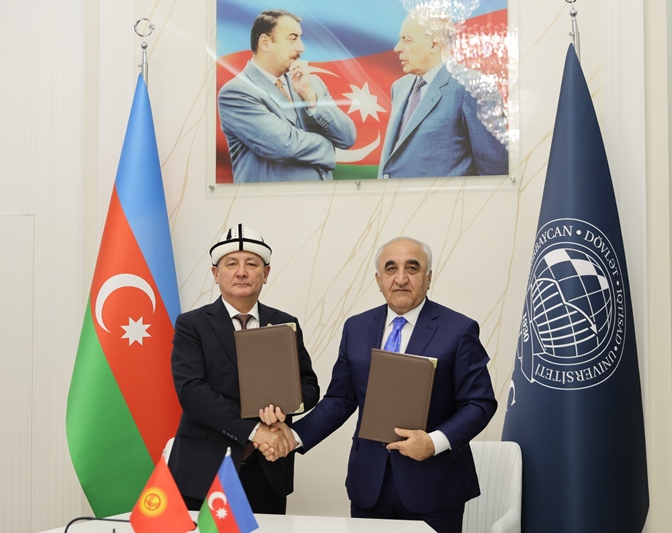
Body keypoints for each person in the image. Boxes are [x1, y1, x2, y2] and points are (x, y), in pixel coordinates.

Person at [266, 236, 497, 533]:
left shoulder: (459, 329)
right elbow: (340, 399)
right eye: (391, 268)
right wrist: (294, 435)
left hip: (434, 487)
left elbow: (479, 403)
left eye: (412, 268)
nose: (401, 278)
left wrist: (434, 442)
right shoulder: (356, 327)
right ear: (378, 280)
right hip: (369, 486)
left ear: (428, 278)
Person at [167, 224, 320, 514]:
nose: (241, 272)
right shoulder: (192, 324)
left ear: (266, 273)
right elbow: (192, 392)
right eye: (231, 264)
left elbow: (309, 386)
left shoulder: (285, 323)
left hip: (268, 468)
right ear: (216, 274)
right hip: (204, 469)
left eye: (251, 264)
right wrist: (254, 430)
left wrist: (284, 407)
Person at [218, 9, 356, 183]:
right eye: (292, 38)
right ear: (265, 43)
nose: (301, 48)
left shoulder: (311, 83)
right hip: (274, 200)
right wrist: (328, 146)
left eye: (300, 38)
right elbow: (284, 145)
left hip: (322, 198)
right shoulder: (236, 92)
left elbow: (347, 137)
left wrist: (308, 96)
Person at [377, 10, 509, 179]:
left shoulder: (472, 87)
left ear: (434, 43)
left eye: (407, 40)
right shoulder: (399, 87)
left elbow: (495, 171)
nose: (397, 48)